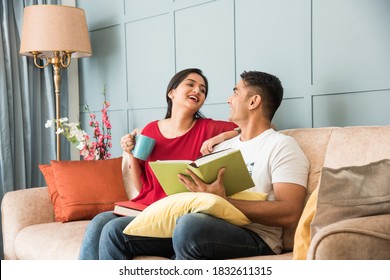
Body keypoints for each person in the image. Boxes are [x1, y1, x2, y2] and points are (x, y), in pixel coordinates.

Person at [98, 70, 309, 260]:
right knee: (114, 231)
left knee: (189, 225)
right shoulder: (220, 146)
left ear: (253, 102)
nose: (229, 99)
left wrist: (222, 200)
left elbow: (290, 213)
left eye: (236, 92)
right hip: (207, 225)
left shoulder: (282, 146)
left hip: (256, 236)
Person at [78, 68, 238, 259]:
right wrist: (130, 154)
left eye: (203, 90)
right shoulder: (150, 130)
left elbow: (260, 127)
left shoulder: (209, 128)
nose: (198, 91)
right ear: (171, 92)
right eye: (191, 84)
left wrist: (220, 136)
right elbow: (142, 187)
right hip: (146, 208)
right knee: (99, 222)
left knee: (113, 229)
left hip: (176, 215)